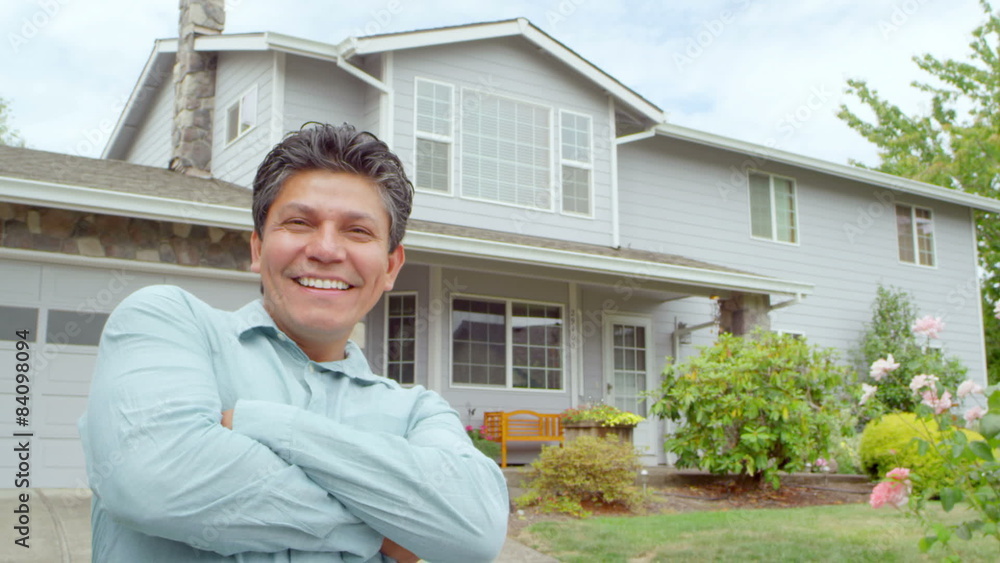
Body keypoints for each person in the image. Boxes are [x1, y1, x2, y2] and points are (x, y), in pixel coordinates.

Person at [78, 123, 509, 562]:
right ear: (257, 247)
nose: (326, 249)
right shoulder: (166, 322)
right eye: (299, 222)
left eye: (358, 231)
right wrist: (381, 531)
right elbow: (151, 482)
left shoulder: (419, 412)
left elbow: (476, 533)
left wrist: (268, 425)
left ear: (391, 267)